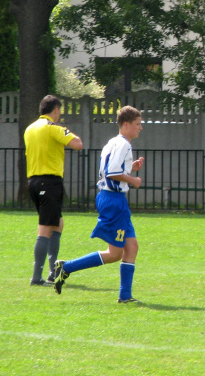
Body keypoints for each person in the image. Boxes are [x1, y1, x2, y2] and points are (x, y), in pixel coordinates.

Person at [53, 105, 145, 303]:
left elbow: (111, 168)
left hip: (113, 198)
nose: (140, 128)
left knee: (132, 247)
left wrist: (131, 167)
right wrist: (133, 180)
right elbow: (112, 172)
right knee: (114, 253)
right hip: (113, 200)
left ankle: (125, 296)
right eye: (138, 124)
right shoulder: (124, 144)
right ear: (126, 124)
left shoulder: (113, 142)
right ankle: (66, 267)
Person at [25, 95, 83, 286]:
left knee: (58, 224)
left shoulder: (30, 129)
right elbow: (77, 144)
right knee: (45, 229)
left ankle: (52, 272)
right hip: (49, 183)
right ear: (56, 110)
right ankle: (37, 277)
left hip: (34, 181)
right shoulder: (52, 127)